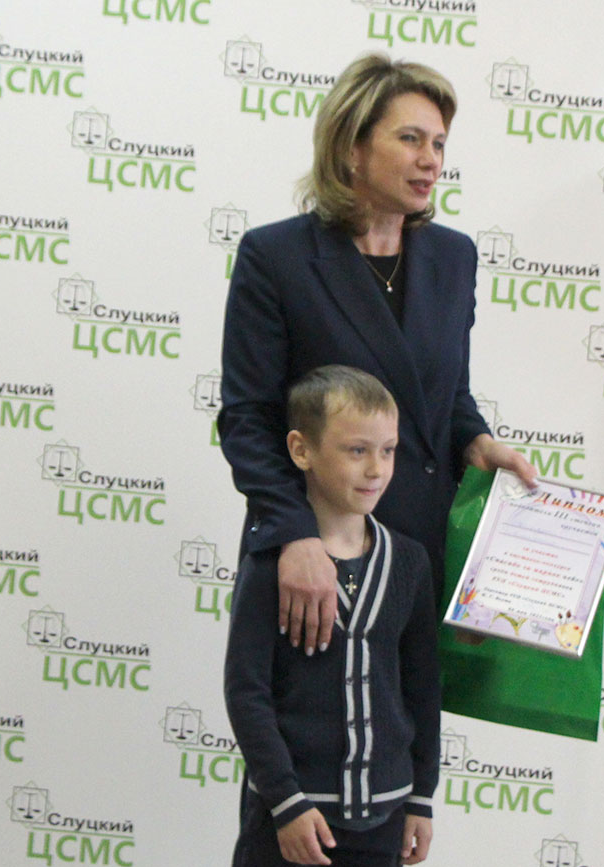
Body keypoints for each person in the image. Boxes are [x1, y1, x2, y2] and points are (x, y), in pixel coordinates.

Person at [219, 51, 536, 658]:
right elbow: (248, 418)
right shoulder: (276, 258)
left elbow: (446, 393)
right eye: (410, 139)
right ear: (351, 149)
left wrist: (475, 441)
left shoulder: (454, 257)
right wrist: (293, 535)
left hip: (420, 557)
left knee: (408, 721)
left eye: (439, 144)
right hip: (319, 559)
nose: (431, 160)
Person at [224, 366, 440, 867]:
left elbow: (422, 688)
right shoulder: (271, 565)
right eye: (356, 450)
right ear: (301, 450)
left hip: (384, 816)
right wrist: (285, 800)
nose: (376, 469)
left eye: (387, 450)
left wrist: (420, 796)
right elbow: (247, 692)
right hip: (290, 816)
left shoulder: (409, 562)